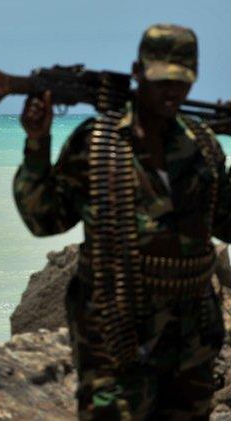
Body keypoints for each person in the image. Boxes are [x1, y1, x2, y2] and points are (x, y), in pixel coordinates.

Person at [14, 24, 231, 419]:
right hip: (116, 338)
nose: (171, 93)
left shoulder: (203, 147)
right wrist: (36, 146)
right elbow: (45, 219)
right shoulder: (97, 143)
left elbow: (227, 224)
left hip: (192, 339)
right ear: (137, 72)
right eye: (161, 80)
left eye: (180, 83)